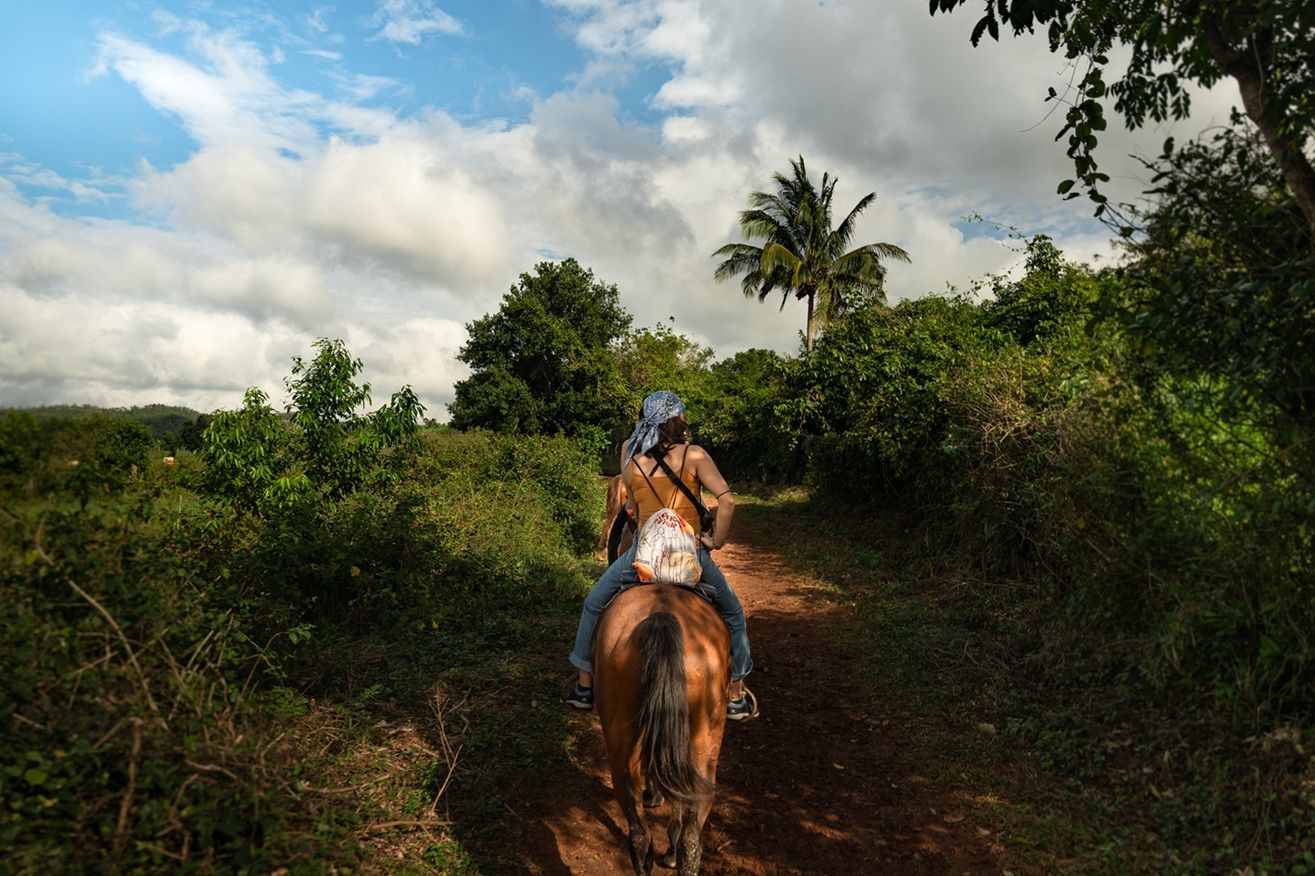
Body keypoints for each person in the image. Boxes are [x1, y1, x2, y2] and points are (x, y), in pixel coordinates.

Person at [564, 390, 755, 721]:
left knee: (594, 604)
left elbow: (635, 512)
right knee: (734, 614)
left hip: (644, 549)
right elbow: (727, 501)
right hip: (690, 550)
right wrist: (715, 542)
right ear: (677, 419)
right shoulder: (694, 455)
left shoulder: (631, 455)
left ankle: (583, 687)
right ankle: (736, 694)